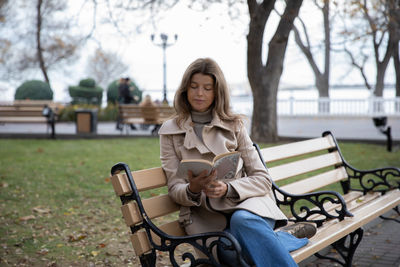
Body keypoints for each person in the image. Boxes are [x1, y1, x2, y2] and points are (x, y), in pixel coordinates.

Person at [158, 58, 316, 266]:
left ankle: (275, 239)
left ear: (217, 92)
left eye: (207, 88)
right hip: (207, 219)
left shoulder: (235, 125)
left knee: (242, 221)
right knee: (232, 252)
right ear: (185, 89)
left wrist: (228, 189)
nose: (199, 94)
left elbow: (263, 179)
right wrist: (192, 190)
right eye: (194, 87)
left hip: (250, 207)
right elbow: (174, 187)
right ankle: (279, 239)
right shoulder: (170, 130)